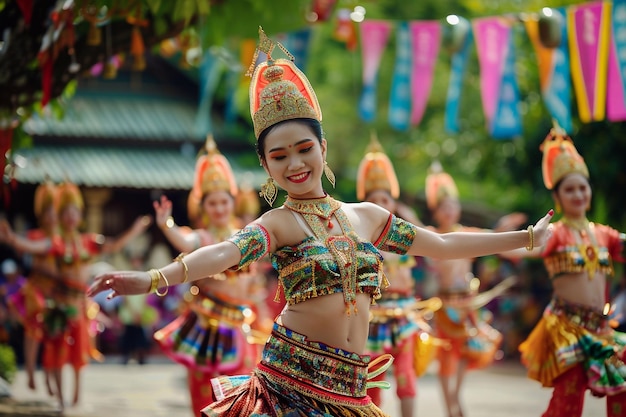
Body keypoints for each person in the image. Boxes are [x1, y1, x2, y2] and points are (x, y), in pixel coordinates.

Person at [87, 27, 553, 417]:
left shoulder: (368, 218)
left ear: (323, 149)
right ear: (267, 166)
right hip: (290, 378)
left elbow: (445, 243)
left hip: (351, 385)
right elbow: (224, 252)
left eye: (304, 148)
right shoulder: (281, 221)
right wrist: (152, 278)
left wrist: (529, 237)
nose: (294, 163)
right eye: (279, 155)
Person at [0, 180, 151, 412]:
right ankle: (60, 398)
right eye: (66, 212)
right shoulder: (56, 242)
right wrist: (13, 239)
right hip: (59, 305)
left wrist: (135, 230)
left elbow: (113, 245)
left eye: (74, 211)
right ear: (60, 216)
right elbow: (34, 247)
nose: (70, 216)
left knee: (79, 352)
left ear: (79, 215)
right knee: (56, 351)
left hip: (80, 304)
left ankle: (77, 394)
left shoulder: (88, 241)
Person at [510, 127, 626, 417]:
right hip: (566, 329)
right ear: (558, 197)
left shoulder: (604, 235)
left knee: (622, 392)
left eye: (582, 187)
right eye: (569, 189)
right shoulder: (555, 234)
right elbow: (525, 249)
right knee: (568, 403)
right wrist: (500, 240)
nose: (577, 194)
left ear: (590, 191)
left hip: (601, 330)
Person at [152, 135, 265, 415]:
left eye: (223, 202)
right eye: (212, 203)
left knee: (242, 387)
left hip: (239, 321)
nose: (219, 209)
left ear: (232, 203)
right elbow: (183, 241)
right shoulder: (201, 238)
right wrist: (166, 224)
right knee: (204, 389)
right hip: (205, 322)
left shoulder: (244, 234)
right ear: (203, 207)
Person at [424, 161, 526, 417]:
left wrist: (508, 228)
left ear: (458, 209)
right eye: (443, 207)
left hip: (467, 306)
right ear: (436, 212)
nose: (449, 211)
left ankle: (455, 403)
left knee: (462, 356)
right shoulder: (432, 236)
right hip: (446, 307)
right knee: (446, 359)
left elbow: (491, 238)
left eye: (453, 206)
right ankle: (451, 408)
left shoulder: (466, 234)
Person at [356, 133, 441, 417]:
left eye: (386, 199)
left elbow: (432, 239)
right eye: (374, 200)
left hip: (404, 315)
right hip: (373, 317)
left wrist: (406, 213)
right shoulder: (361, 239)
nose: (381, 204)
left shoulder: (405, 237)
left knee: (405, 377)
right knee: (372, 382)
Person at [6, 180, 58, 393]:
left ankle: (48, 377)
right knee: (33, 333)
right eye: (47, 212)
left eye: (54, 212)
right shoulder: (36, 236)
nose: (51, 217)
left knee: (53, 336)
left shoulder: (63, 238)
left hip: (55, 292)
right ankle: (29, 372)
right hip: (36, 291)